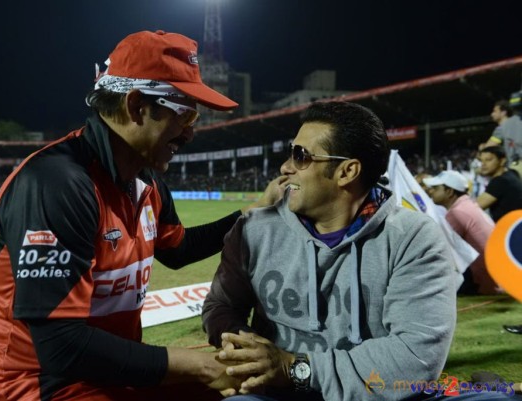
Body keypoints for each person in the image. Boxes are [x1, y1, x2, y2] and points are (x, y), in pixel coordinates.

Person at [0, 30, 284, 401]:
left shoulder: (146, 177)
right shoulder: (58, 183)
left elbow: (177, 250)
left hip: (108, 374)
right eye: (187, 113)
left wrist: (253, 211)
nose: (192, 133)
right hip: (33, 385)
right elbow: (60, 346)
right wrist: (201, 365)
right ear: (136, 107)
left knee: (247, 390)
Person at [201, 101, 475, 401]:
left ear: (347, 171)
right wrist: (246, 349)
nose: (285, 167)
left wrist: (294, 368)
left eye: (301, 156)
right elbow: (221, 306)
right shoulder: (253, 229)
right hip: (275, 395)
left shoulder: (413, 238)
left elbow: (413, 358)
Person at [423, 170, 499, 295]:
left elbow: (441, 250)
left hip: (483, 280)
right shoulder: (467, 205)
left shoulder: (457, 212)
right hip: (495, 275)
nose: (431, 192)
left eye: (435, 188)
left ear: (449, 192)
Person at [476, 146, 522, 223]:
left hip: (509, 231)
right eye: (481, 161)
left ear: (502, 161)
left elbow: (472, 209)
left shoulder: (500, 181)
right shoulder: (511, 174)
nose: (483, 164)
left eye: (488, 160)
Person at [480, 99, 522, 177]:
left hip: (516, 168)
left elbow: (488, 149)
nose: (492, 114)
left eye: (495, 111)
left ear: (503, 112)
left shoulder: (502, 128)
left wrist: (482, 146)